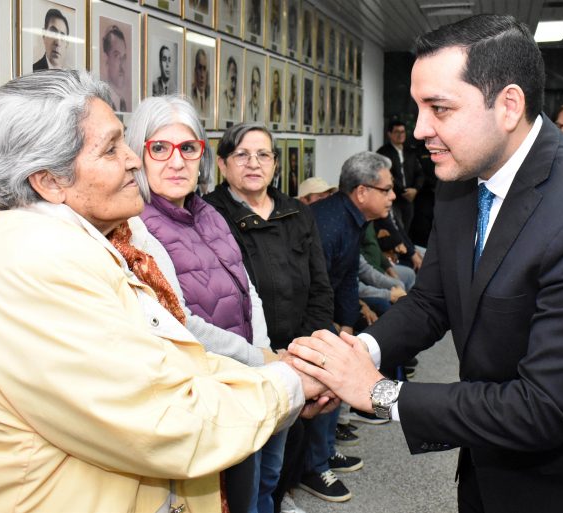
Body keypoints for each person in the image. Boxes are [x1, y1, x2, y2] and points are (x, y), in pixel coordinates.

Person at [288, 14, 563, 513]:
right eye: (420, 107)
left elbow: (542, 408)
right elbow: (432, 301)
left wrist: (377, 392)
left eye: (439, 108)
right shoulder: (463, 177)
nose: (421, 129)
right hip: (487, 465)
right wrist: (355, 356)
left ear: (508, 105)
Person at [0, 70, 333, 513]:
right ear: (48, 182)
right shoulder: (35, 266)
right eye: (112, 148)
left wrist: (274, 373)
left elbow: (170, 356)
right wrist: (288, 384)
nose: (134, 161)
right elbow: (165, 422)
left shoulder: (78, 241)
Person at [126, 95, 285, 512]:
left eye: (188, 148)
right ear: (137, 153)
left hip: (251, 374)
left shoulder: (209, 212)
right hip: (209, 391)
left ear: (202, 155)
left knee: (265, 485)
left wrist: (264, 353)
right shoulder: (136, 226)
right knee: (236, 500)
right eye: (159, 148)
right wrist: (259, 358)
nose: (176, 162)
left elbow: (248, 289)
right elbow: (180, 322)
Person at [205, 123, 335, 513]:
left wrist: (303, 351)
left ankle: (279, 499)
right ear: (223, 164)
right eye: (242, 154)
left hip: (295, 355)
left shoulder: (297, 212)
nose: (253, 163)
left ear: (275, 163)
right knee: (244, 464)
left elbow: (320, 288)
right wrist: (262, 354)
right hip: (240, 358)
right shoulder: (210, 215)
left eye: (263, 154)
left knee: (282, 453)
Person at [294, 151, 395, 502]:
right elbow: (311, 284)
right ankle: (313, 467)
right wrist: (332, 327)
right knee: (324, 383)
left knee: (337, 376)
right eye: (387, 189)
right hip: (308, 317)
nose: (393, 196)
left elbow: (347, 277)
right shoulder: (329, 222)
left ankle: (324, 451)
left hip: (330, 315)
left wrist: (348, 325)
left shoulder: (351, 219)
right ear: (363, 192)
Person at [376, 120, 424, 233]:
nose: (400, 134)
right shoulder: (383, 153)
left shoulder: (411, 151)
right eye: (397, 132)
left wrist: (415, 189)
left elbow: (420, 173)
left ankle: (405, 250)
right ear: (389, 134)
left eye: (403, 132)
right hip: (393, 198)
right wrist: (404, 191)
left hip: (410, 197)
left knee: (407, 228)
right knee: (397, 228)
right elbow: (386, 176)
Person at [102, 25, 128, 111]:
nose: (122, 64)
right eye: (116, 55)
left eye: (123, 57)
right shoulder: (101, 101)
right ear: (106, 58)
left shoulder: (122, 102)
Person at [191, 48, 210, 117]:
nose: (202, 75)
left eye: (204, 69)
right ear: (195, 71)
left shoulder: (209, 95)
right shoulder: (191, 94)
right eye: (200, 68)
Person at [221, 55, 239, 121]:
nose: (234, 85)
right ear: (226, 78)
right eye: (232, 79)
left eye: (235, 80)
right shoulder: (221, 103)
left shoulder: (238, 106)